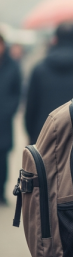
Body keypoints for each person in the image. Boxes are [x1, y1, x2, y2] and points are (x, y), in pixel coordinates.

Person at [24, 22, 73, 142]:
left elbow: (30, 110)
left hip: (44, 140)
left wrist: (34, 139)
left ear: (55, 39)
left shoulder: (39, 70)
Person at [0, 34, 22, 205]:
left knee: (2, 155)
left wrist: (9, 109)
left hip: (4, 119)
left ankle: (1, 191)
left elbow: (17, 92)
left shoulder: (12, 66)